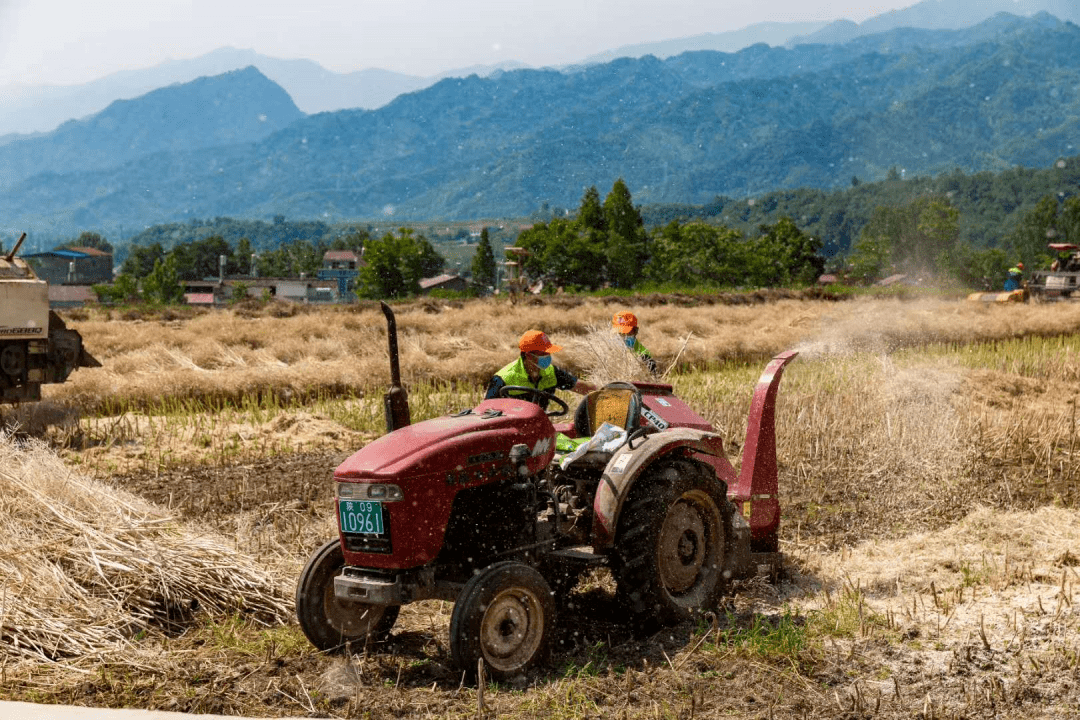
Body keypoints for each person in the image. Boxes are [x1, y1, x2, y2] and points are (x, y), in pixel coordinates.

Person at [485, 330, 594, 411]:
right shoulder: (503, 378)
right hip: (511, 428)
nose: (548, 356)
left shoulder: (552, 372)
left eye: (548, 352)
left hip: (540, 425)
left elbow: (582, 387)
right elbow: (486, 411)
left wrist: (601, 392)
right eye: (543, 353)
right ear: (529, 355)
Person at [612, 311, 658, 375]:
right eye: (623, 333)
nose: (627, 335)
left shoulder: (638, 347)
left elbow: (651, 363)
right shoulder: (607, 346)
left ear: (635, 331)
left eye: (630, 332)